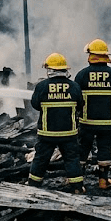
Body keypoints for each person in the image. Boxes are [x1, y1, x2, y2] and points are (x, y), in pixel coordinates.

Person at [74, 39, 111, 190]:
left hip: (87, 123)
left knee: (82, 150)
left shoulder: (82, 75)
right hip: (108, 123)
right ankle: (103, 182)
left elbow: (75, 98)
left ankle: (78, 183)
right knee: (104, 150)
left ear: (91, 55)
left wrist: (77, 114)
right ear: (106, 56)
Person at [28, 53, 85, 193]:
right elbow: (80, 105)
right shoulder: (74, 86)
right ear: (65, 69)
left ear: (50, 70)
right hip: (69, 132)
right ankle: (77, 187)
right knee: (72, 159)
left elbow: (35, 104)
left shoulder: (42, 86)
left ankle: (33, 186)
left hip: (47, 133)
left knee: (41, 159)